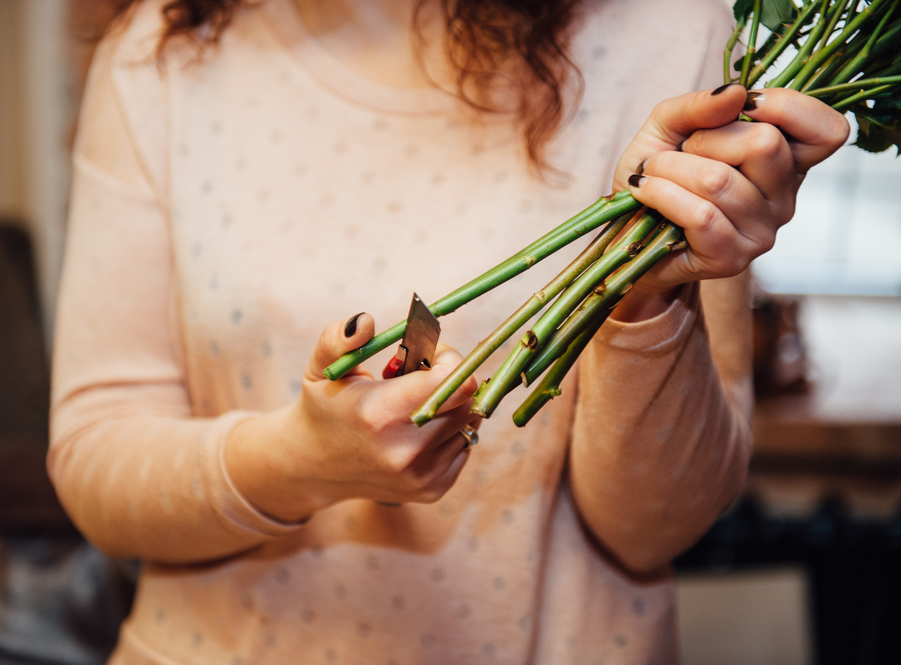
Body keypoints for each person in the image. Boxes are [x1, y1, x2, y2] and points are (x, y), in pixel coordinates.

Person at [49, 0, 849, 662]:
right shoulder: (161, 54)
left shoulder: (671, 33)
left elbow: (653, 534)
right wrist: (297, 460)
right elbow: (97, 455)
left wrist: (641, 294)